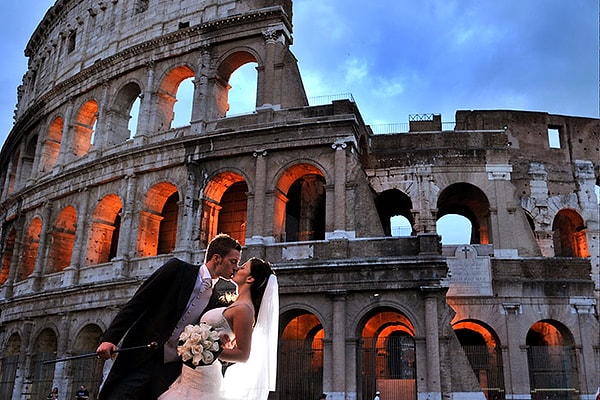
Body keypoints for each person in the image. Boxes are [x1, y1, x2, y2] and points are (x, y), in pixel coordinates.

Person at [96, 233, 242, 400]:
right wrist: (110, 339)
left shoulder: (217, 298)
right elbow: (138, 302)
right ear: (217, 258)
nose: (236, 267)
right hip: (142, 356)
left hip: (172, 368)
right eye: (233, 262)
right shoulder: (177, 269)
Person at [159, 257, 278, 400]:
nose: (237, 268)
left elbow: (243, 355)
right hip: (194, 371)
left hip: (205, 376)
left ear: (250, 279)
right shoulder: (236, 304)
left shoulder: (244, 309)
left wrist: (206, 348)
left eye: (243, 267)